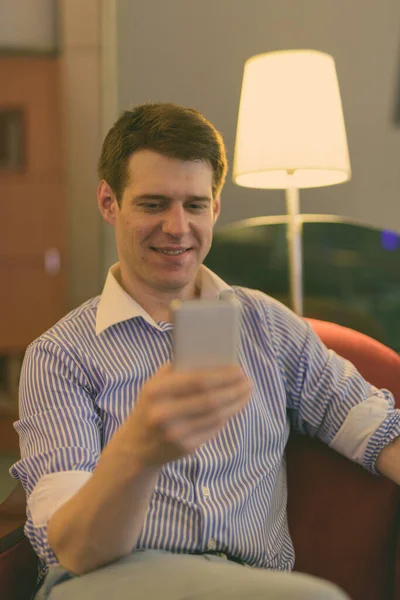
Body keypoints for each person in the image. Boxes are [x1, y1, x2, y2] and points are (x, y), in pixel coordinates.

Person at [10, 103, 400, 600]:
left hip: (251, 583)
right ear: (109, 202)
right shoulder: (62, 355)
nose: (177, 228)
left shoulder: (269, 327)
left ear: (215, 208)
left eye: (194, 205)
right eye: (153, 204)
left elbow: (378, 430)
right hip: (107, 579)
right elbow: (71, 550)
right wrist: (138, 451)